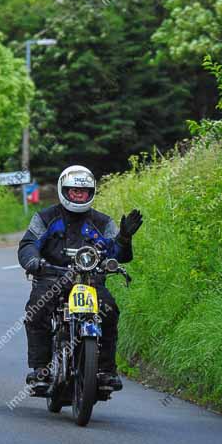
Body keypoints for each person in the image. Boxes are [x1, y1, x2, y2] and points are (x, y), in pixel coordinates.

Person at [18, 164, 143, 392]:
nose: (79, 195)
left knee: (109, 310)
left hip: (90, 280)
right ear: (64, 190)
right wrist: (33, 261)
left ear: (91, 193)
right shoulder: (45, 217)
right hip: (52, 277)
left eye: (83, 192)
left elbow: (119, 255)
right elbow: (28, 243)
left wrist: (124, 237)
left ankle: (105, 371)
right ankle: (41, 370)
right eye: (75, 191)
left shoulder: (103, 222)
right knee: (37, 310)